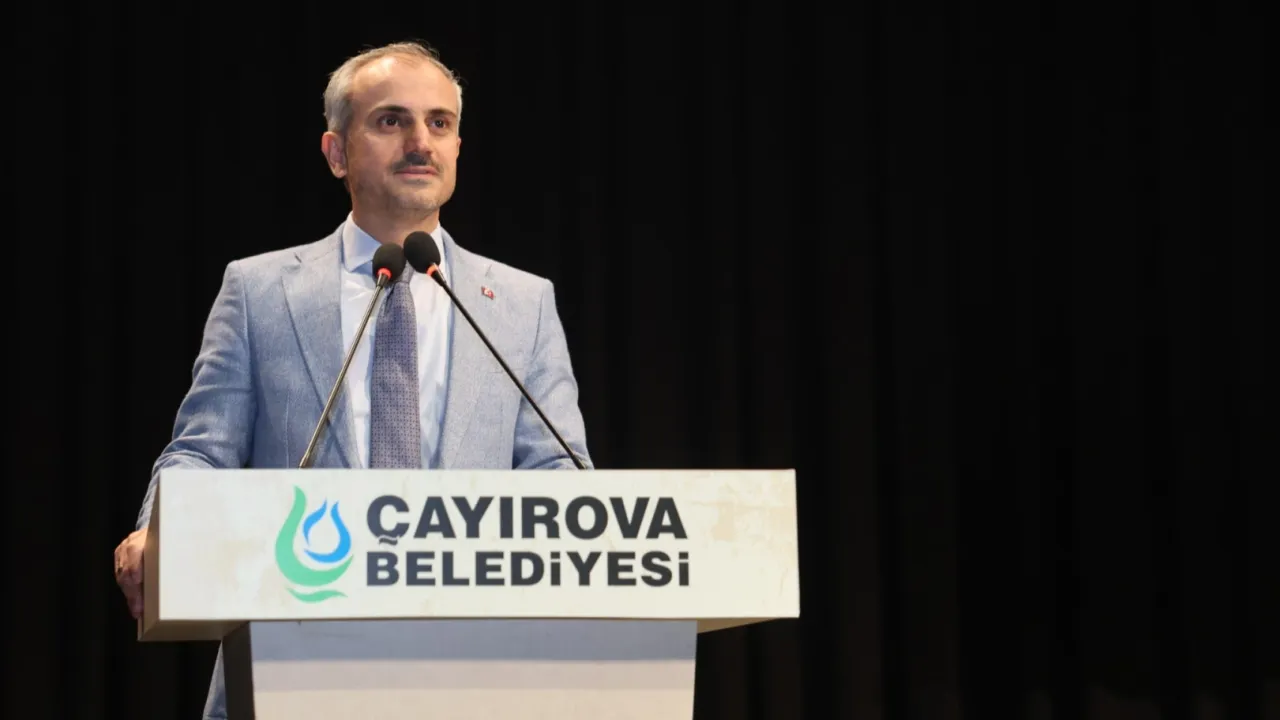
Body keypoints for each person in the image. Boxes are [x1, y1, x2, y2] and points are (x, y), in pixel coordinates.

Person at [110, 41, 593, 719]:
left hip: (478, 672)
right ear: (336, 152)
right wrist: (159, 528)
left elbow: (557, 470)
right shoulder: (259, 290)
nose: (420, 142)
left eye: (440, 123)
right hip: (293, 661)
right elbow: (201, 450)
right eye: (392, 121)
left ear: (458, 148)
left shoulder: (521, 303)